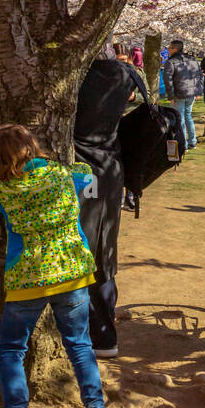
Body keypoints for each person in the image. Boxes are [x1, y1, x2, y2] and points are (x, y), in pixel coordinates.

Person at [0, 124, 112, 408]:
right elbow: (85, 170)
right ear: (33, 148)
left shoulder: (2, 191)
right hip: (72, 276)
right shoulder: (67, 176)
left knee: (10, 350)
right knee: (80, 346)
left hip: (27, 280)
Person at [74, 44, 139, 357]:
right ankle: (103, 331)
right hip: (110, 171)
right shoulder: (125, 73)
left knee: (80, 249)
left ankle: (97, 332)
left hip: (76, 171)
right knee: (103, 251)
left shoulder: (73, 75)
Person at [162, 40, 203, 149]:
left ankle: (184, 144)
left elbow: (167, 80)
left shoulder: (170, 62)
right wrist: (198, 90)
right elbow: (199, 76)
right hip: (191, 93)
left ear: (175, 49)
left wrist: (171, 96)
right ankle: (192, 141)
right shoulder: (192, 59)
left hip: (179, 93)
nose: (168, 50)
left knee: (180, 118)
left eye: (170, 48)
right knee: (188, 116)